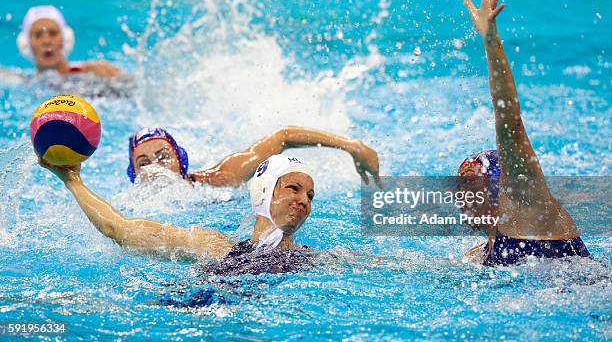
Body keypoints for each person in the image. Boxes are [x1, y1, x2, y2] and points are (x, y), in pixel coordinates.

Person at [459, 0, 590, 266]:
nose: (460, 199)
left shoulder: (528, 206)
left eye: (468, 186)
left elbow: (508, 118)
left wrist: (490, 41)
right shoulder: (481, 254)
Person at [40, 154, 330, 274]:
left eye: (310, 195)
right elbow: (119, 229)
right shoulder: (212, 245)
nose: (303, 200)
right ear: (264, 191)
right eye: (293, 188)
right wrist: (72, 180)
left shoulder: (311, 259)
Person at [127, 126, 381, 188]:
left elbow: (283, 136)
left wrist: (352, 146)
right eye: (144, 163)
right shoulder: (131, 208)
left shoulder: (218, 179)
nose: (155, 168)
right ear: (134, 174)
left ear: (180, 161)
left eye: (163, 157)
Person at [15, 5, 120, 78]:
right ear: (25, 44)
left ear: (66, 38)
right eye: (38, 35)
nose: (46, 41)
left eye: (53, 33)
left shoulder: (90, 73)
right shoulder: (23, 81)